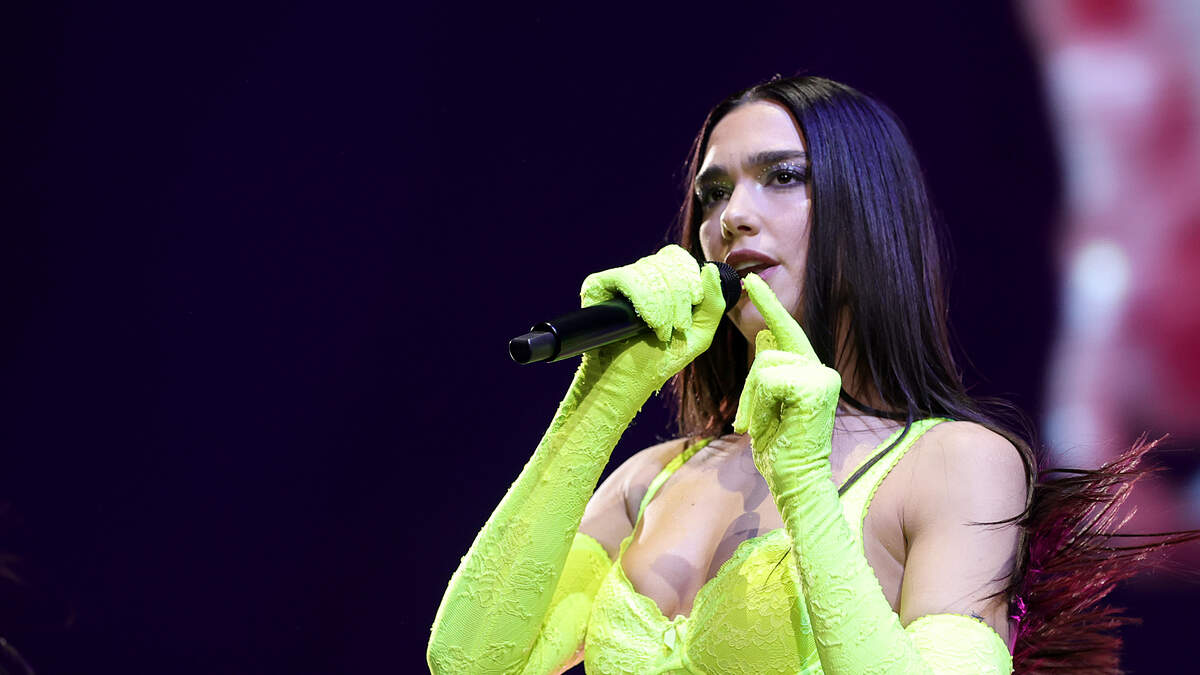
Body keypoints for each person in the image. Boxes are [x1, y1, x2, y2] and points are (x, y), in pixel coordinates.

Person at [427, 75, 1167, 674]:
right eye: (713, 192)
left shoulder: (957, 464)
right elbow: (468, 662)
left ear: (868, 213)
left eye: (782, 177)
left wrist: (807, 486)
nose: (732, 217)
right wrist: (603, 394)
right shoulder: (649, 481)